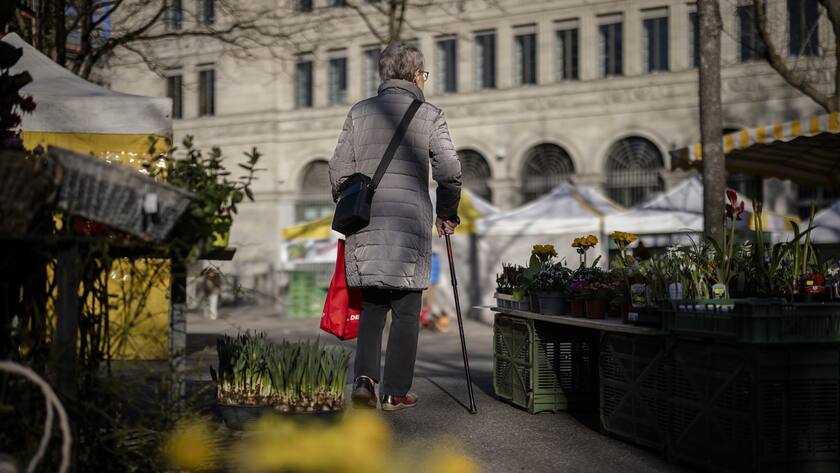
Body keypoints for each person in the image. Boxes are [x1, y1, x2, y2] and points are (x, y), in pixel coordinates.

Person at [329, 42, 462, 411]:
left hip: (366, 222)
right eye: (425, 75)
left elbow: (338, 171)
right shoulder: (430, 115)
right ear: (417, 75)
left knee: (372, 306)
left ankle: (365, 380)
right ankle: (395, 392)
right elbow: (450, 171)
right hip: (408, 228)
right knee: (406, 310)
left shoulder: (359, 112)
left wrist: (352, 195)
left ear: (385, 75)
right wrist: (446, 213)